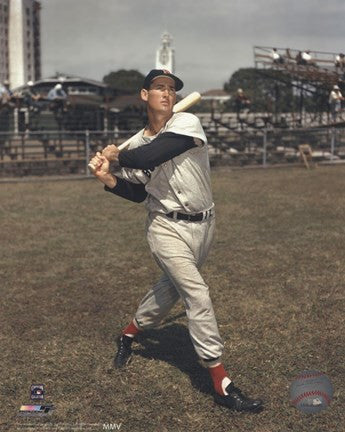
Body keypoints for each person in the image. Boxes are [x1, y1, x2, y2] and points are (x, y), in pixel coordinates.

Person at [89, 69, 264, 413]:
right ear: (144, 95)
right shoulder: (137, 143)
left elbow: (151, 156)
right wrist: (108, 177)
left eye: (171, 89)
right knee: (196, 293)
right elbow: (138, 193)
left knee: (169, 290)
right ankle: (221, 381)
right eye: (159, 88)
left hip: (204, 225)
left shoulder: (187, 124)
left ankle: (127, 335)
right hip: (165, 228)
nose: (167, 94)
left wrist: (115, 155)